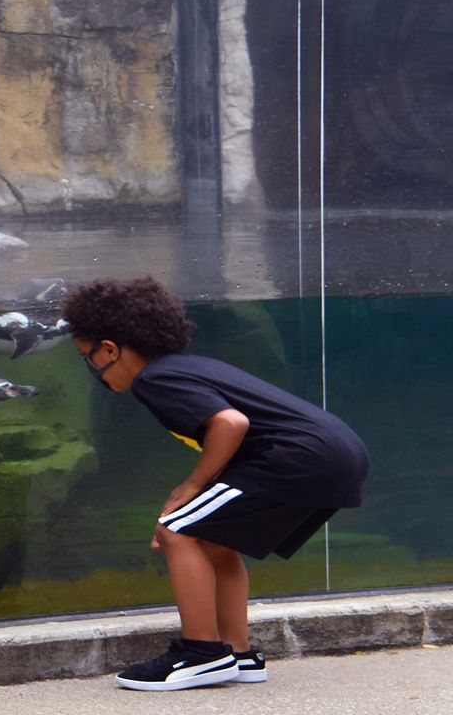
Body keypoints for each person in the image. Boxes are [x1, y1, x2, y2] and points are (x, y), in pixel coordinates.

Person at [61, 277, 368, 691]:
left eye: (88, 357)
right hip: (336, 453)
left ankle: (202, 654)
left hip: (301, 457)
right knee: (212, 541)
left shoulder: (157, 379)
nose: (93, 370)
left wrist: (190, 486)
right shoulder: (186, 367)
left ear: (110, 349)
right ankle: (238, 654)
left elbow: (230, 423)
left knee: (176, 529)